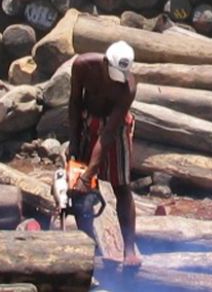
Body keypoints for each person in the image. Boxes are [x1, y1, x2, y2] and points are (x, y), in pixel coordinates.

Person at [67, 40, 140, 268]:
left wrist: (90, 173)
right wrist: (75, 144)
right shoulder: (82, 66)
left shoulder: (128, 87)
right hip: (88, 120)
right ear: (106, 62)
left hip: (114, 128)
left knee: (121, 186)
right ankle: (88, 246)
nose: (115, 80)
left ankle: (129, 249)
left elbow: (108, 134)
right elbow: (75, 103)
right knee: (79, 190)